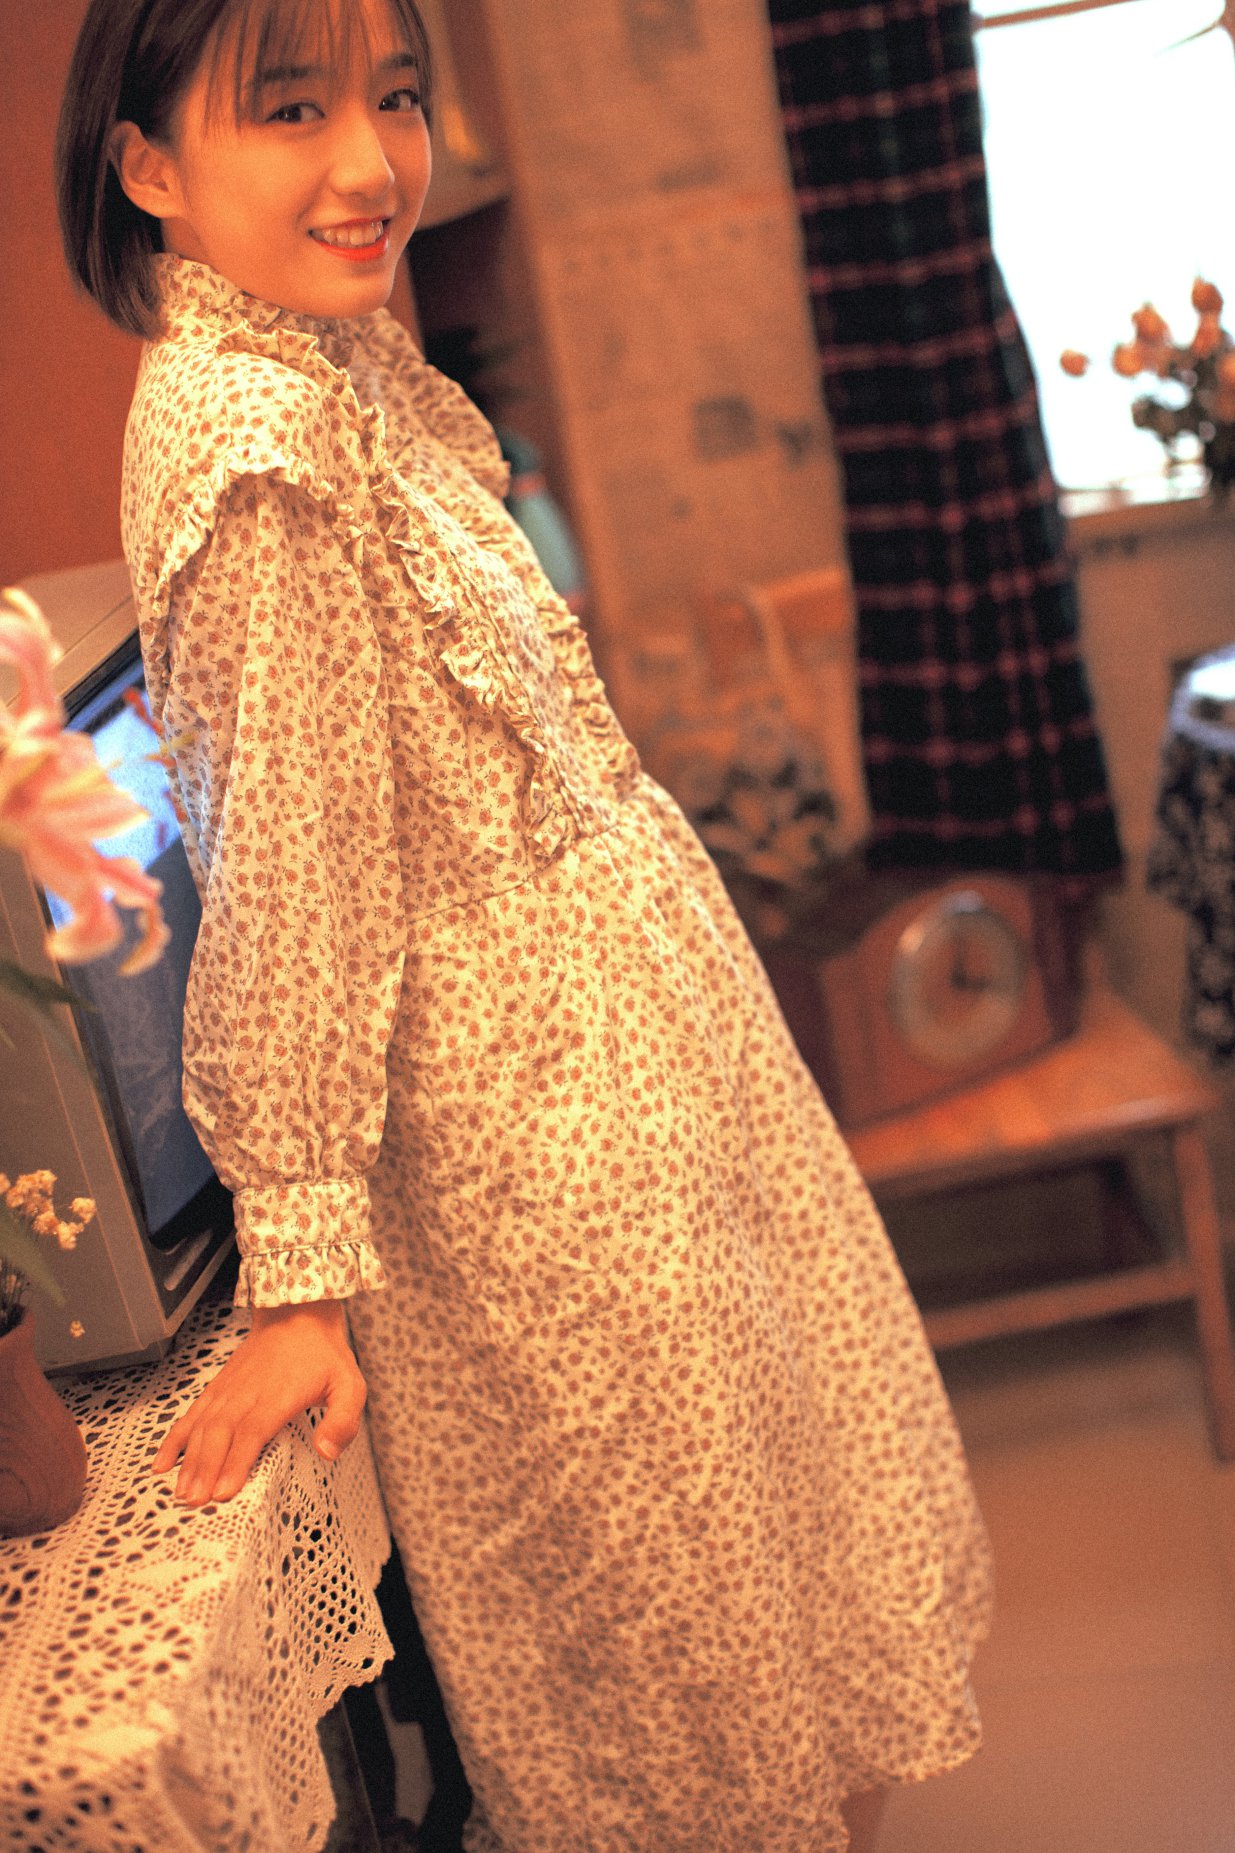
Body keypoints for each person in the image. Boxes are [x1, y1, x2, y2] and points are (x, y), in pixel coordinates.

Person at [56, 3, 992, 1848]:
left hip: (627, 1094)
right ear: (147, 165)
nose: (370, 162)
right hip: (546, 1171)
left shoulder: (332, 358)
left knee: (777, 1613)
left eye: (396, 98)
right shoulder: (255, 449)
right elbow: (292, 878)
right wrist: (299, 1269)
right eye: (294, 109)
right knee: (702, 1692)